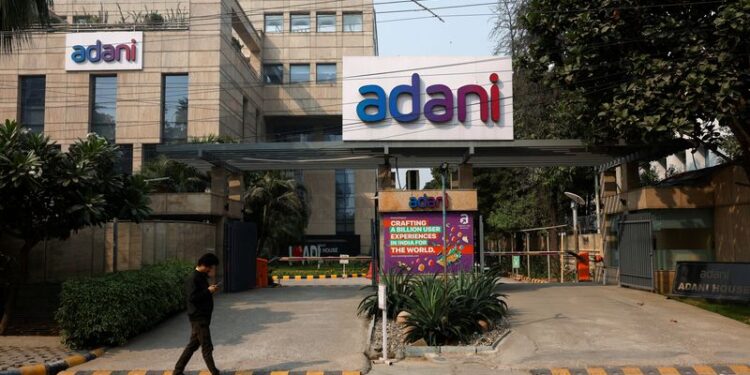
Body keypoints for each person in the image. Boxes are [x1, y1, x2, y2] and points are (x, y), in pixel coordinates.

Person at [174, 253, 221, 375]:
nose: (210, 270)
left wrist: (210, 289)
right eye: (210, 267)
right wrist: (208, 291)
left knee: (193, 345)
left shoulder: (201, 277)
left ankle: (178, 370)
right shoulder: (193, 278)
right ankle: (214, 372)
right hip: (198, 318)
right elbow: (192, 298)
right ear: (203, 265)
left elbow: (202, 294)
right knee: (207, 346)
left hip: (202, 317)